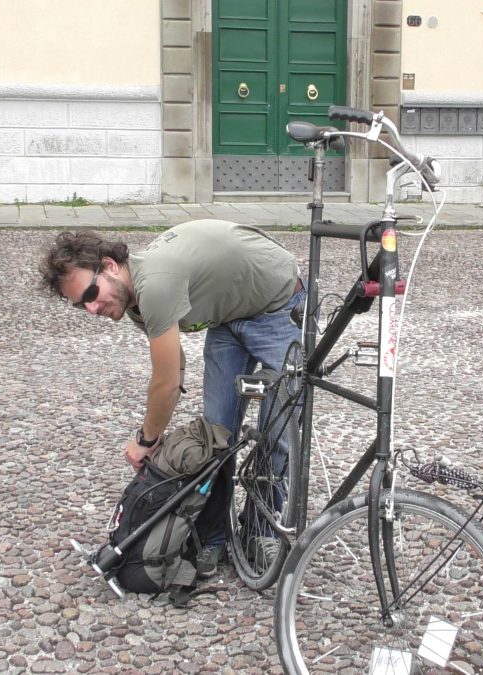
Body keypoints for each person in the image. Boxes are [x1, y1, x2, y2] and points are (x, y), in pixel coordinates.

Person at [37, 220, 304, 578]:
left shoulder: (155, 286)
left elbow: (164, 384)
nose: (90, 309)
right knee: (216, 434)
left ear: (111, 266)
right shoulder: (132, 301)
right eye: (79, 305)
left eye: (89, 294)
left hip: (278, 306)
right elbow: (174, 368)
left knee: (278, 433)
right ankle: (215, 535)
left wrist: (146, 439)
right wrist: (155, 434)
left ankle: (260, 532)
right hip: (227, 316)